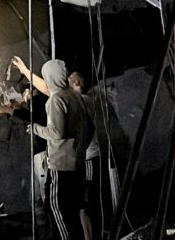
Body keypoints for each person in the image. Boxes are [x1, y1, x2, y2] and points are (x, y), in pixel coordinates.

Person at [28, 60, 94, 240]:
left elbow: (57, 132)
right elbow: (90, 127)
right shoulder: (75, 96)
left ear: (49, 77)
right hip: (78, 164)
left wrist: (35, 128)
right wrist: (78, 149)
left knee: (59, 212)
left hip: (61, 167)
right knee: (74, 214)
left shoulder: (56, 100)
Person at [69, 72, 101, 240]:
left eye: (70, 78)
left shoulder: (83, 101)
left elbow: (87, 130)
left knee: (85, 205)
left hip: (88, 158)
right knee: (83, 204)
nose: (67, 80)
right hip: (87, 157)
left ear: (76, 82)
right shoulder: (85, 100)